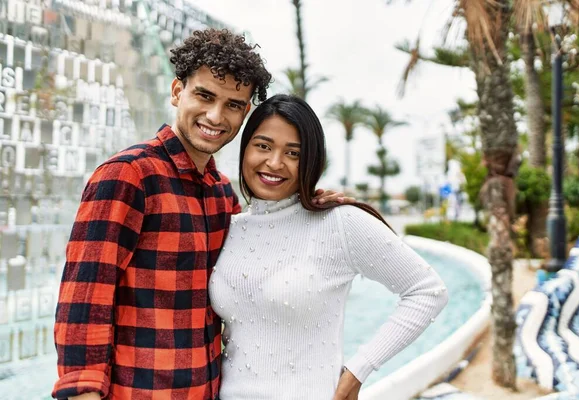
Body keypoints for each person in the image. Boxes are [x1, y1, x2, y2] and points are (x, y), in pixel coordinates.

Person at [52, 29, 346, 400]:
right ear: (178, 91)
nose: (215, 115)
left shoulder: (224, 196)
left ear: (245, 113)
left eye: (234, 104)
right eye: (204, 95)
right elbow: (84, 302)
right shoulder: (128, 176)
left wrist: (308, 202)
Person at [209, 94, 449, 400]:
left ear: (311, 160)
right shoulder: (230, 228)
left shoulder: (339, 222)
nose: (274, 162)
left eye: (293, 153)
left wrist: (359, 370)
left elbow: (428, 290)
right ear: (245, 150)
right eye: (263, 146)